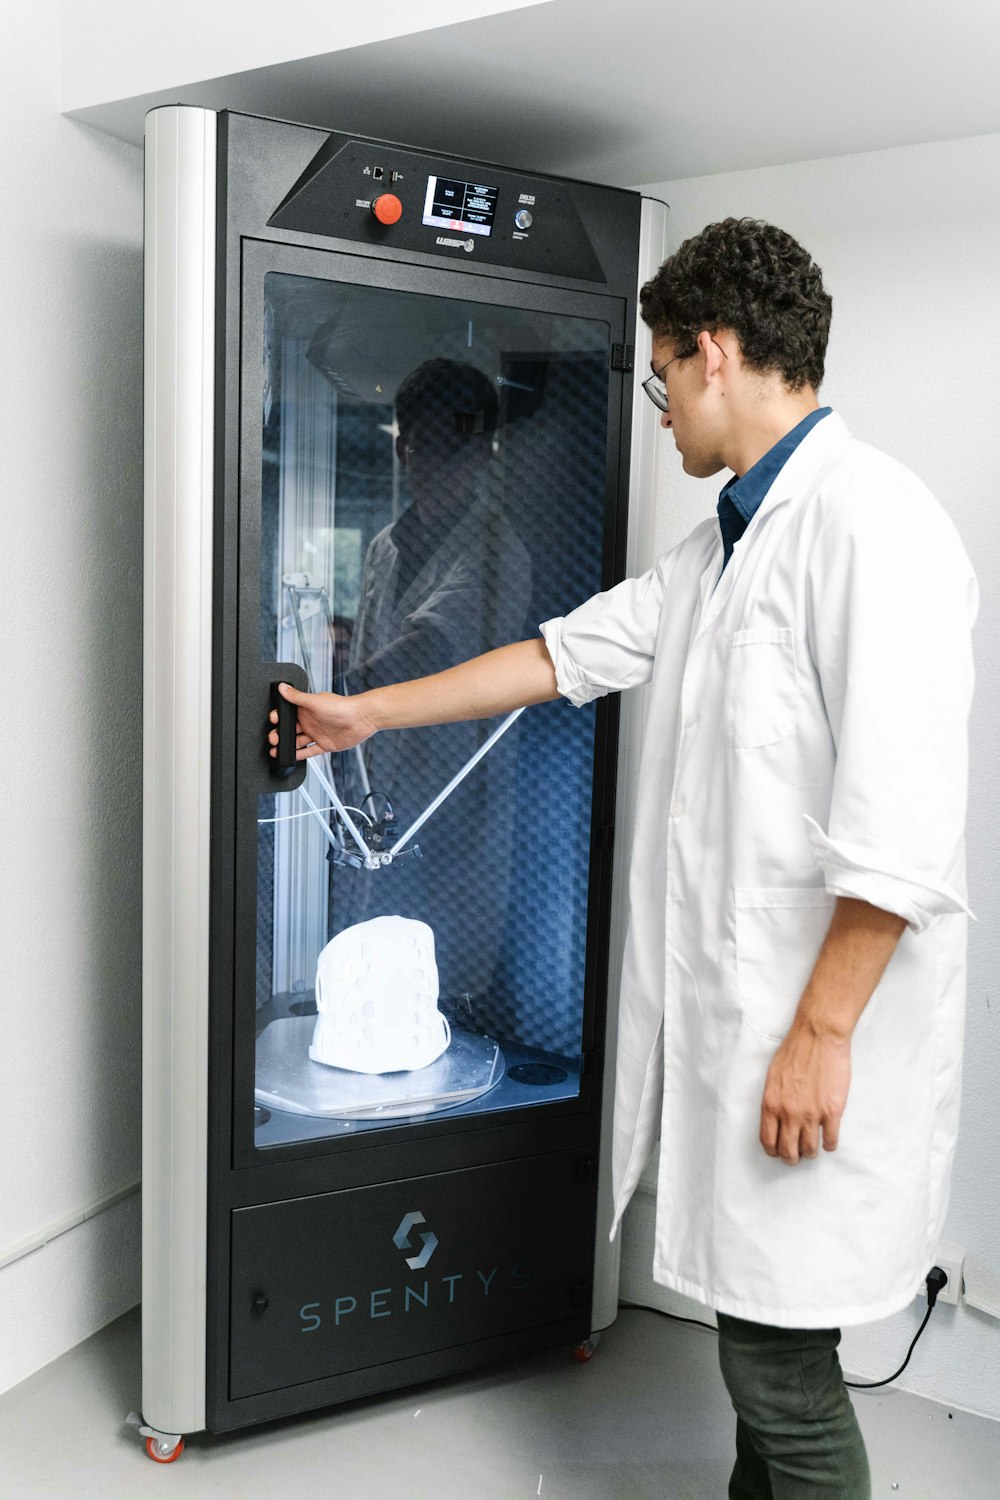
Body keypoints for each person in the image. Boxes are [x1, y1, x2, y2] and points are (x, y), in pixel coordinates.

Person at [268, 218, 977, 1498]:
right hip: (745, 1026)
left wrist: (820, 1033)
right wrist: (365, 712)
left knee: (781, 1376)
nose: (658, 412)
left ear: (711, 355)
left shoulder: (877, 529)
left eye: (659, 379)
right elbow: (556, 655)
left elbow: (903, 832)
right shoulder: (720, 548)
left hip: (813, 1030)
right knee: (765, 1352)